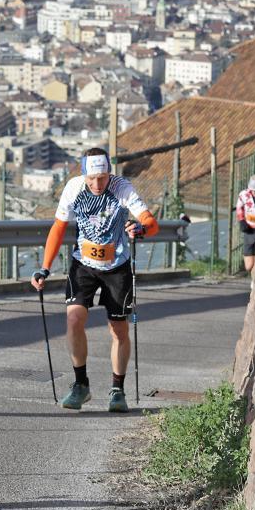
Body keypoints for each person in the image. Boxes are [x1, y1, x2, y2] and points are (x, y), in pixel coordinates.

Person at [30, 148, 158, 413]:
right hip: (83, 265)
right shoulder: (74, 188)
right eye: (92, 178)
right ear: (84, 174)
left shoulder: (122, 188)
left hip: (117, 267)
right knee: (74, 318)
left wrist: (142, 227)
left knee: (118, 329)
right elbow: (58, 228)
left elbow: (149, 221)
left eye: (102, 177)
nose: (97, 184)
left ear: (109, 173)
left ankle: (117, 390)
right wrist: (44, 268)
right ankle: (80, 385)